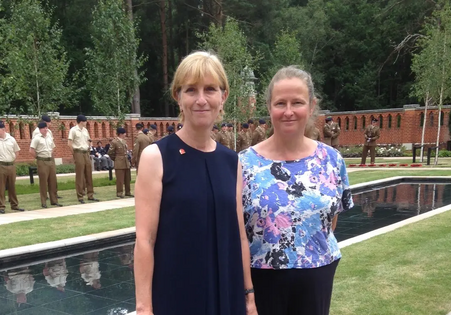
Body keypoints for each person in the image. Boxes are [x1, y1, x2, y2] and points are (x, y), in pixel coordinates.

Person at [134, 51, 257, 315]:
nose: (201, 100)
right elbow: (145, 239)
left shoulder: (231, 161)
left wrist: (249, 296)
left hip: (227, 293)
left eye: (210, 89)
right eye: (191, 90)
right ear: (178, 98)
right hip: (177, 294)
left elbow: (240, 234)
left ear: (223, 97)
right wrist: (144, 307)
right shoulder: (156, 157)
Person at [238, 66, 354, 315]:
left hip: (317, 277)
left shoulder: (331, 160)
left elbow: (330, 222)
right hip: (262, 280)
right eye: (280, 103)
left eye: (297, 103)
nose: (288, 111)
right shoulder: (243, 164)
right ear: (269, 107)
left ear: (311, 106)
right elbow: (237, 231)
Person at [0, 121, 25, 214]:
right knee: (1, 187)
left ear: (4, 130)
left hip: (11, 165)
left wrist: (12, 159)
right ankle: (1, 206)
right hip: (1, 165)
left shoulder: (11, 139)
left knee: (12, 186)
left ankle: (14, 205)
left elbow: (17, 151)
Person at [68, 115, 99, 204]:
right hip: (78, 151)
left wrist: (89, 146)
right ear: (81, 121)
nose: (86, 123)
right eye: (85, 121)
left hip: (86, 152)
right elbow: (69, 143)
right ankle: (80, 196)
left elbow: (89, 140)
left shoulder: (85, 130)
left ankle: (90, 195)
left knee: (88, 173)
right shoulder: (73, 130)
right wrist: (74, 154)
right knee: (80, 175)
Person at [29, 122, 61, 208]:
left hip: (50, 160)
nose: (46, 130)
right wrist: (38, 157)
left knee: (52, 181)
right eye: (44, 128)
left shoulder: (49, 137)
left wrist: (50, 154)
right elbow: (31, 150)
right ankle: (43, 201)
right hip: (42, 161)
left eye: (46, 128)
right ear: (40, 129)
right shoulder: (36, 138)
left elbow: (53, 147)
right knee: (43, 182)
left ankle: (54, 200)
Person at [108, 127, 133, 198]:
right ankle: (119, 192)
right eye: (124, 133)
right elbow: (110, 152)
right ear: (121, 134)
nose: (125, 134)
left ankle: (128, 192)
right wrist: (115, 159)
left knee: (127, 178)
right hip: (119, 161)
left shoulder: (124, 141)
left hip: (125, 161)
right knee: (120, 179)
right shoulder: (114, 142)